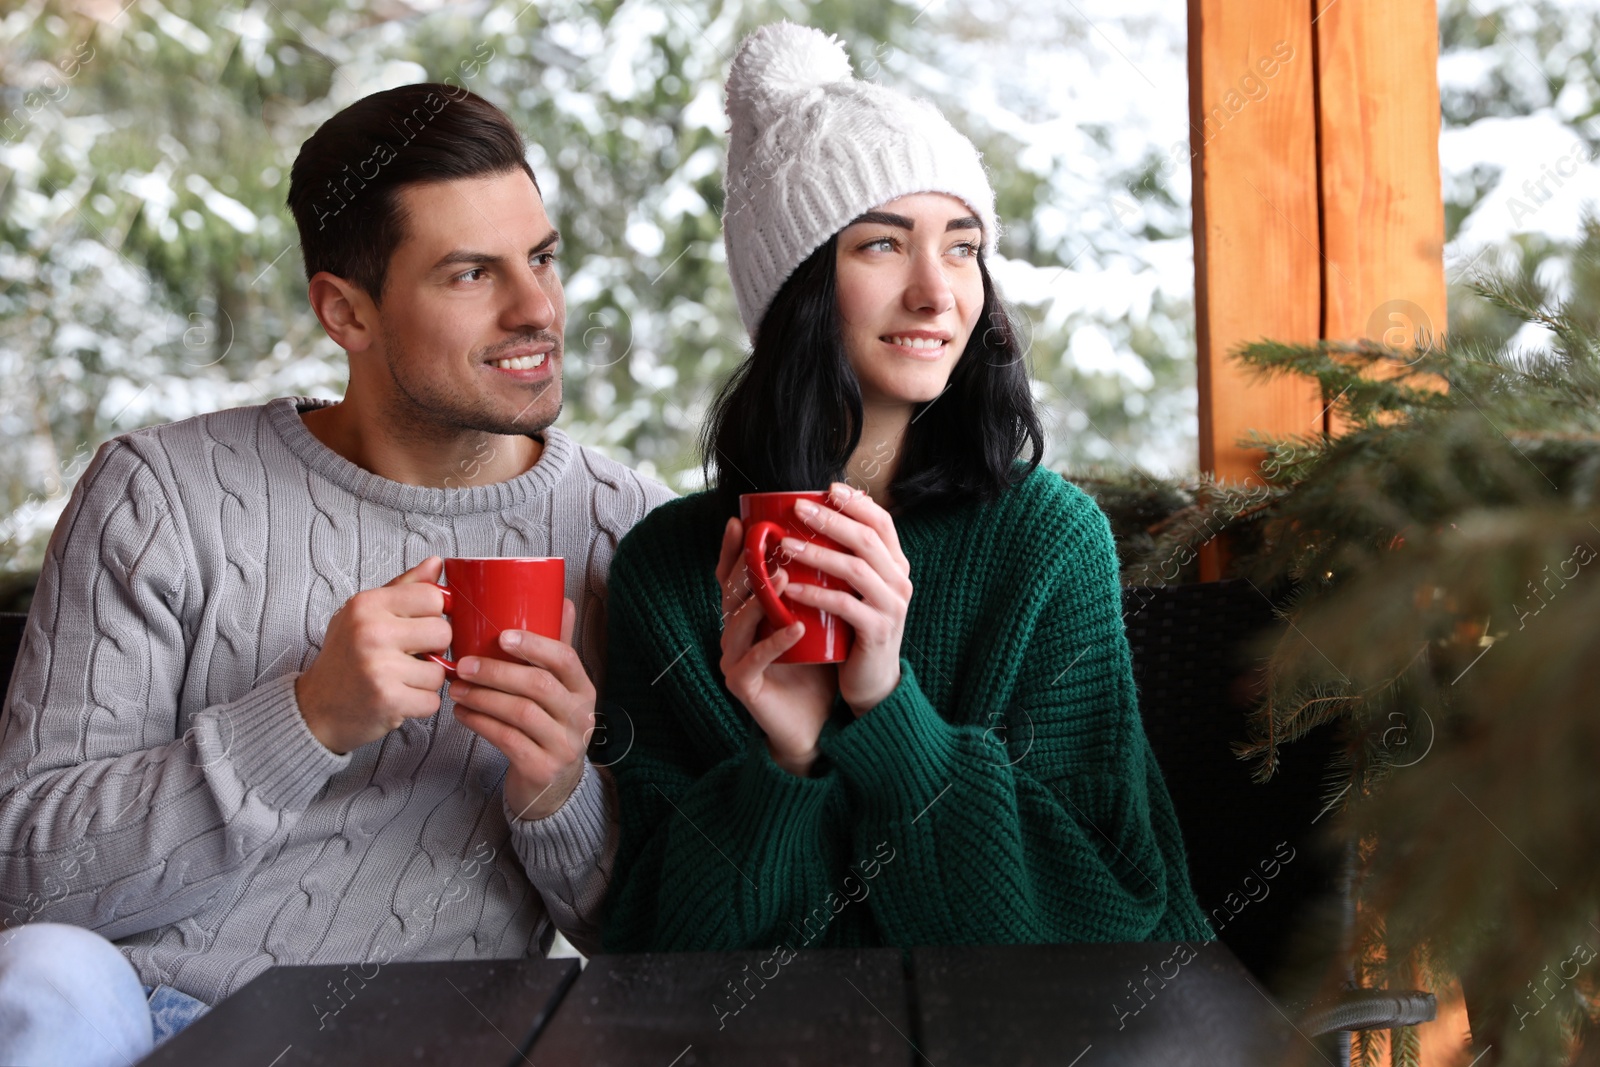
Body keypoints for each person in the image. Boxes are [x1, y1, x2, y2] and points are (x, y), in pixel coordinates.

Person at [0, 83, 672, 1066]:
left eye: (541, 257)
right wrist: (305, 719)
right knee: (43, 973)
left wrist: (557, 787)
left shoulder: (626, 528)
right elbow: (23, 877)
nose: (537, 308)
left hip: (443, 1043)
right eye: (471, 273)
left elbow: (651, 943)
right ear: (344, 312)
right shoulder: (163, 495)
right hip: (149, 1026)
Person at [599, 23, 1211, 956]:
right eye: (883, 247)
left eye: (962, 248)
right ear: (796, 289)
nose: (937, 293)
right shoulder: (671, 573)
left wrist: (888, 708)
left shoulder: (1049, 542)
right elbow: (655, 959)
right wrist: (788, 759)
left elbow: (1097, 919)